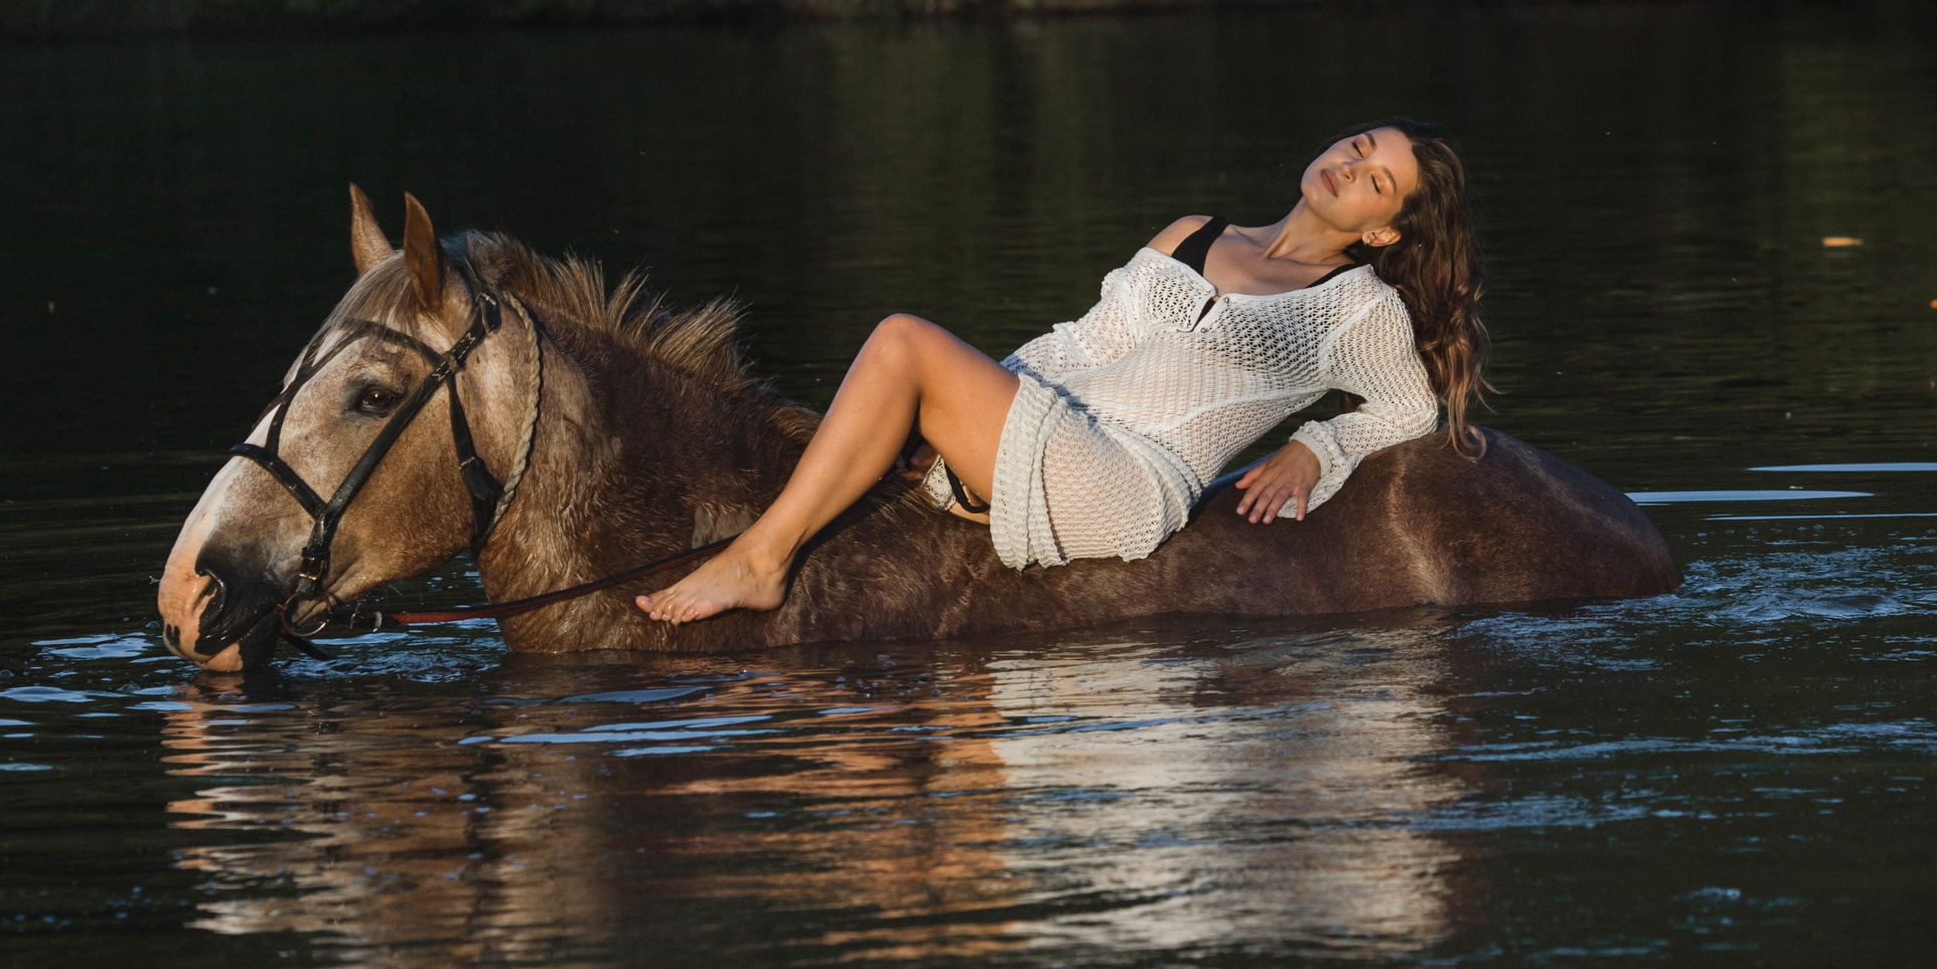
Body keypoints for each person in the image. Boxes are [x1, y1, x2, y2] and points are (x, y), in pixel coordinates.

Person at [636, 119, 1490, 623]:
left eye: (1376, 180)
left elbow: (1414, 411)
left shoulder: (1356, 307)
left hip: (1125, 480)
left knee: (900, 338)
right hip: (1053, 424)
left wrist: (1316, 444)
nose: (1349, 165)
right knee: (889, 397)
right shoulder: (1193, 231)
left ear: (1384, 231)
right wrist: (944, 422)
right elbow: (1083, 343)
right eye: (1360, 144)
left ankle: (758, 562)